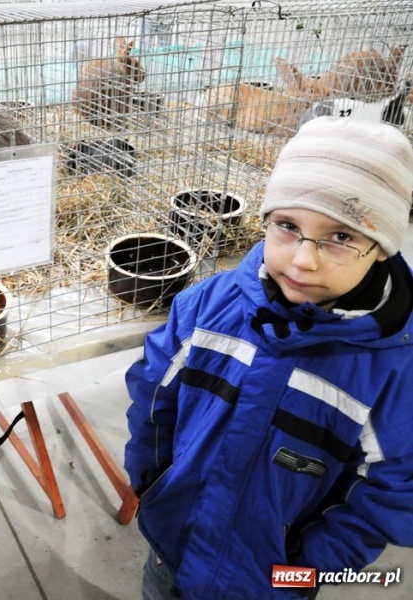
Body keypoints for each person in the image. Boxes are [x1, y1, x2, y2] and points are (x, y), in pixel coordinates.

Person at [124, 116, 413, 599]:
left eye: (341, 237)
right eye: (287, 225)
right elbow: (154, 393)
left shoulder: (394, 370)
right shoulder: (205, 307)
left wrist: (307, 569)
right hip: (173, 544)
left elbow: (393, 487)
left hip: (269, 580)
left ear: (381, 248)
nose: (303, 259)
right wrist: (152, 483)